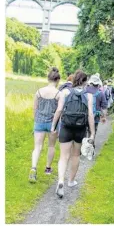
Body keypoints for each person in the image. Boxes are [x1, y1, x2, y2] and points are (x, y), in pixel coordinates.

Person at [51, 70, 95, 198]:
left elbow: (59, 110)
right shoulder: (89, 96)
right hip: (80, 129)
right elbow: (91, 115)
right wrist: (92, 133)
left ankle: (60, 181)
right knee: (75, 155)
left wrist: (53, 126)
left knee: (63, 156)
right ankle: (71, 181)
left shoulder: (65, 92)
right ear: (85, 81)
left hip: (66, 127)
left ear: (74, 79)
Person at [29, 68, 61, 183]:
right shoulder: (59, 94)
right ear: (57, 80)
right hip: (52, 123)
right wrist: (53, 125)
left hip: (39, 122)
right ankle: (48, 169)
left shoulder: (38, 92)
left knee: (37, 147)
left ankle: (33, 168)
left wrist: (35, 122)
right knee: (51, 146)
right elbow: (59, 110)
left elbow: (35, 108)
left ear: (48, 78)